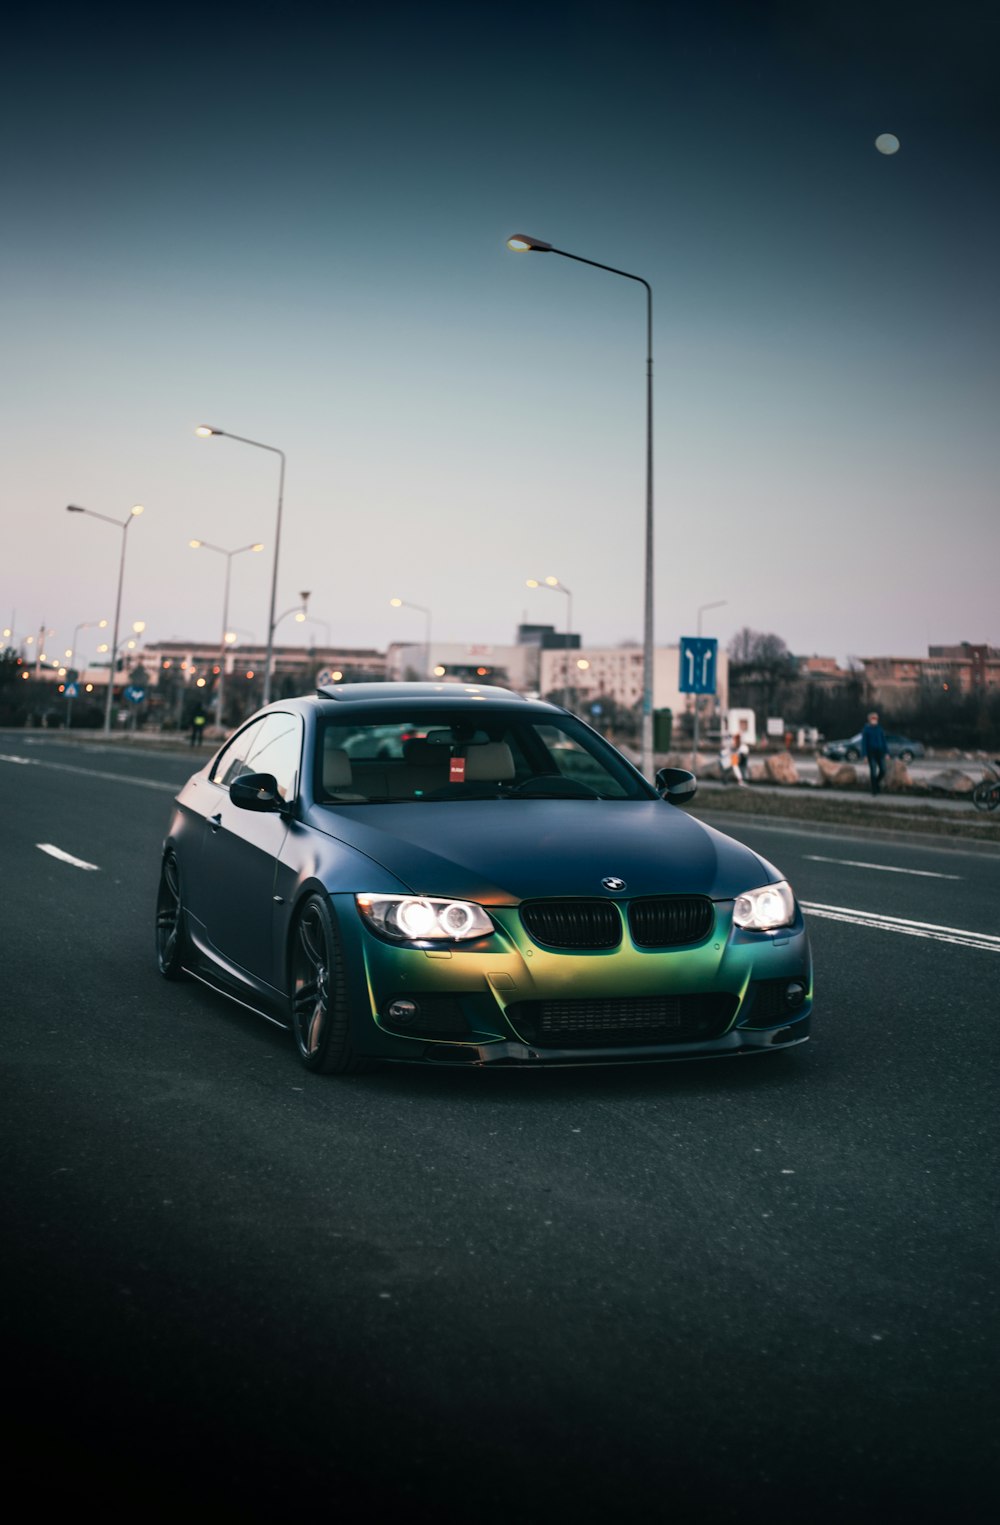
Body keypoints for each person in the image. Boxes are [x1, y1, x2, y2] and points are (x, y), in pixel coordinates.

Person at [860, 710, 889, 795]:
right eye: (873, 718)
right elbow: (864, 743)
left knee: (883, 770)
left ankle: (876, 783)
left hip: (880, 752)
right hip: (871, 753)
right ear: (869, 719)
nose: (875, 720)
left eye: (876, 718)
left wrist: (886, 753)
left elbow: (884, 741)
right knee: (873, 771)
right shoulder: (866, 730)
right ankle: (874, 790)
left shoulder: (879, 729)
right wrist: (864, 755)